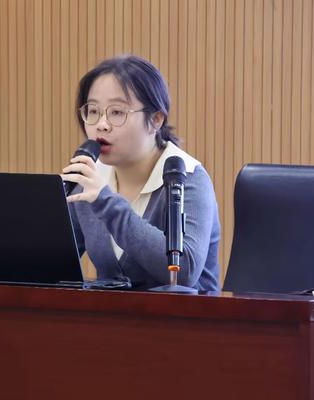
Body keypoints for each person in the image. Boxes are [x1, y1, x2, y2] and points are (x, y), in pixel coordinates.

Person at [61, 55, 220, 291]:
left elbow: (183, 272)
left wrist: (106, 202)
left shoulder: (186, 177)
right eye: (93, 111)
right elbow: (53, 263)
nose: (101, 124)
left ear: (156, 119)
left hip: (184, 314)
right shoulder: (89, 179)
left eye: (117, 112)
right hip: (108, 314)